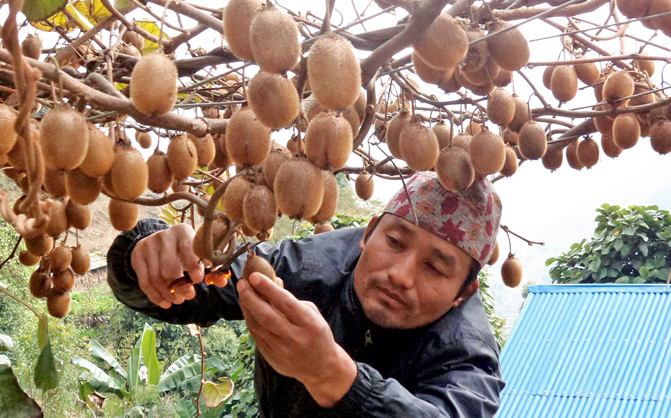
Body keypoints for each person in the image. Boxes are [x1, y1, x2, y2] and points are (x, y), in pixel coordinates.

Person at [107, 171, 505, 417]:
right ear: (368, 234)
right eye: (396, 242)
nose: (401, 275)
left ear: (464, 292)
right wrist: (142, 258)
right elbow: (211, 282)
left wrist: (336, 378)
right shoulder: (312, 266)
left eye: (435, 267)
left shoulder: (466, 354)